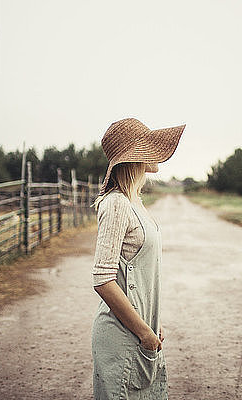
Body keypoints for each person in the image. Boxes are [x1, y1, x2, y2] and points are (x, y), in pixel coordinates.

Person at [90, 117, 186, 399]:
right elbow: (103, 280)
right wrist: (144, 331)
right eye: (148, 145)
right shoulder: (116, 203)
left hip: (139, 331)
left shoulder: (135, 202)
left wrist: (151, 322)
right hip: (122, 337)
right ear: (135, 155)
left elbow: (138, 276)